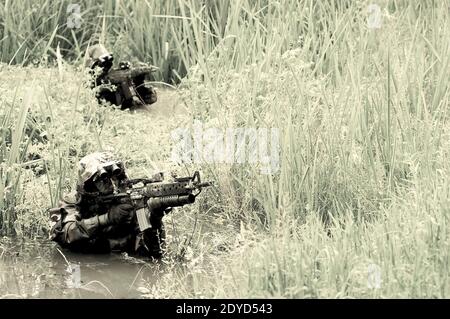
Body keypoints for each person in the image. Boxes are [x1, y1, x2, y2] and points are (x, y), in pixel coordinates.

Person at [49, 151, 166, 259]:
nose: (111, 183)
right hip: (86, 265)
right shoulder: (73, 201)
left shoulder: (131, 198)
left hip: (125, 267)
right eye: (103, 179)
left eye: (114, 176)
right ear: (89, 184)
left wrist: (155, 217)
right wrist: (107, 218)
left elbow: (154, 251)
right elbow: (65, 235)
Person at [85, 43, 158, 109]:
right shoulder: (90, 84)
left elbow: (135, 88)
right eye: (102, 63)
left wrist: (141, 84)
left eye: (108, 61)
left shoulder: (115, 74)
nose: (106, 66)